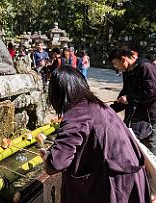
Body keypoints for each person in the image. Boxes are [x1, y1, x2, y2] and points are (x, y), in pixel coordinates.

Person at [40, 65, 151, 203]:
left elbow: (57, 163)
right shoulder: (98, 106)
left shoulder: (77, 114)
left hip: (115, 185)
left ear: (57, 92)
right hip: (131, 177)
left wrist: (48, 157)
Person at [108, 47, 156, 155]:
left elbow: (152, 92)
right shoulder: (127, 71)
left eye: (116, 64)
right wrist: (110, 109)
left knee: (150, 153)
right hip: (134, 118)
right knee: (135, 150)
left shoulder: (145, 67)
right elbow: (125, 93)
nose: (117, 68)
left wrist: (129, 98)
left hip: (150, 118)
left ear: (123, 59)